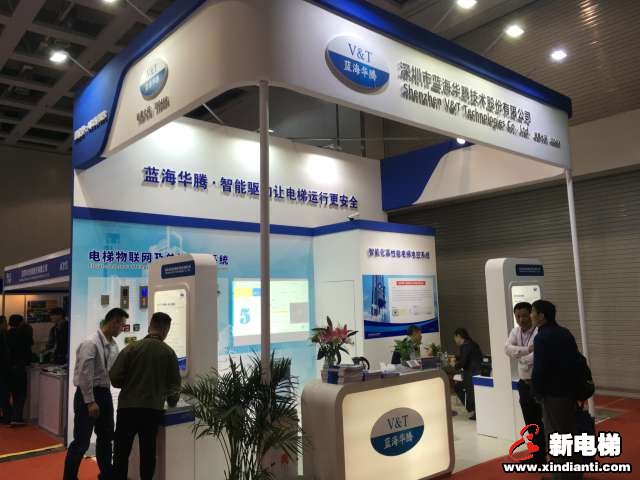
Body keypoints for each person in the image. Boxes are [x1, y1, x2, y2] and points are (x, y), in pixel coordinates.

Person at [111, 312, 182, 480]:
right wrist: (172, 401)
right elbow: (174, 386)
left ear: (150, 327)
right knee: (148, 454)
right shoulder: (169, 353)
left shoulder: (131, 348)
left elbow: (114, 376)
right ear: (166, 330)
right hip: (152, 410)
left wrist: (127, 385)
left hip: (127, 409)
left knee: (121, 453)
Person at [63, 308, 128, 480]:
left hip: (104, 394)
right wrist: (90, 401)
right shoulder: (90, 343)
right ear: (113, 322)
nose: (122, 329)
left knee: (106, 437)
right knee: (81, 441)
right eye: (121, 325)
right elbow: (85, 375)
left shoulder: (113, 345)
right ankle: (69, 477)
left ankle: (106, 474)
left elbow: (113, 371)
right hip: (88, 395)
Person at [531, 300, 582, 479]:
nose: (531, 316)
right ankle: (575, 473)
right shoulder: (565, 333)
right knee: (569, 431)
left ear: (541, 316)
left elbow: (539, 368)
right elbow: (576, 361)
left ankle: (560, 475)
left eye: (533, 312)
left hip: (552, 393)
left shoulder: (541, 338)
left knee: (555, 433)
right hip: (569, 391)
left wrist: (536, 391)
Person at [505, 302, 545, 464]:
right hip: (524, 383)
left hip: (538, 384)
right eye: (518, 316)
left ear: (531, 315)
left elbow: (535, 357)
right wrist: (527, 350)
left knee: (544, 420)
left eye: (524, 315)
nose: (521, 319)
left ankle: (550, 454)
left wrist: (519, 355)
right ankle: (537, 456)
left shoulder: (538, 332)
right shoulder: (515, 331)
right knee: (530, 422)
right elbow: (507, 349)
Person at [6, 314, 33, 425]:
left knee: (12, 393)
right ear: (20, 323)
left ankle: (11, 416)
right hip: (19, 367)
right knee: (20, 394)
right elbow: (29, 347)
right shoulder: (23, 334)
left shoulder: (5, 334)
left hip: (8, 368)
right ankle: (17, 417)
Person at [453, 327, 482, 420]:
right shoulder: (471, 343)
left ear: (458, 336)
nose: (455, 340)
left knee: (469, 392)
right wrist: (456, 358)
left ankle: (475, 411)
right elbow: (466, 357)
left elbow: (463, 362)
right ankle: (473, 409)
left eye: (455, 338)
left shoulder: (465, 346)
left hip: (471, 372)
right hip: (478, 371)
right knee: (459, 387)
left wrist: (454, 365)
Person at [0, 315, 10, 424]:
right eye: (5, 322)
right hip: (3, 369)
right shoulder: (4, 335)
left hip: (3, 368)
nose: (6, 324)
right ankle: (7, 417)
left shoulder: (4, 334)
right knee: (4, 393)